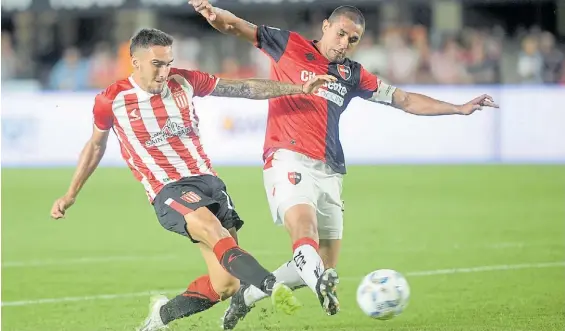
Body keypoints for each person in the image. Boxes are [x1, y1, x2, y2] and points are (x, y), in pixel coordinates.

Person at [188, 1, 499, 329]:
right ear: (325, 26)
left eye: (353, 39)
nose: (344, 44)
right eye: (340, 34)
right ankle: (318, 286)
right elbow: (238, 27)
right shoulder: (288, 44)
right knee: (303, 229)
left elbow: (404, 100)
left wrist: (459, 108)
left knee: (323, 262)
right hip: (287, 157)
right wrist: (214, 15)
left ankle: (248, 296)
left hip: (331, 171)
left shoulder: (353, 75)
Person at [49, 28, 337, 331]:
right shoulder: (112, 99)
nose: (165, 71)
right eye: (157, 64)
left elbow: (244, 88)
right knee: (213, 230)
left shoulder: (183, 81)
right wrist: (70, 194)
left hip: (209, 183)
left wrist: (298, 88)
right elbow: (96, 145)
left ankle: (159, 318)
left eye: (168, 62)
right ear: (135, 62)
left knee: (225, 284)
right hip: (168, 189)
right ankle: (269, 284)